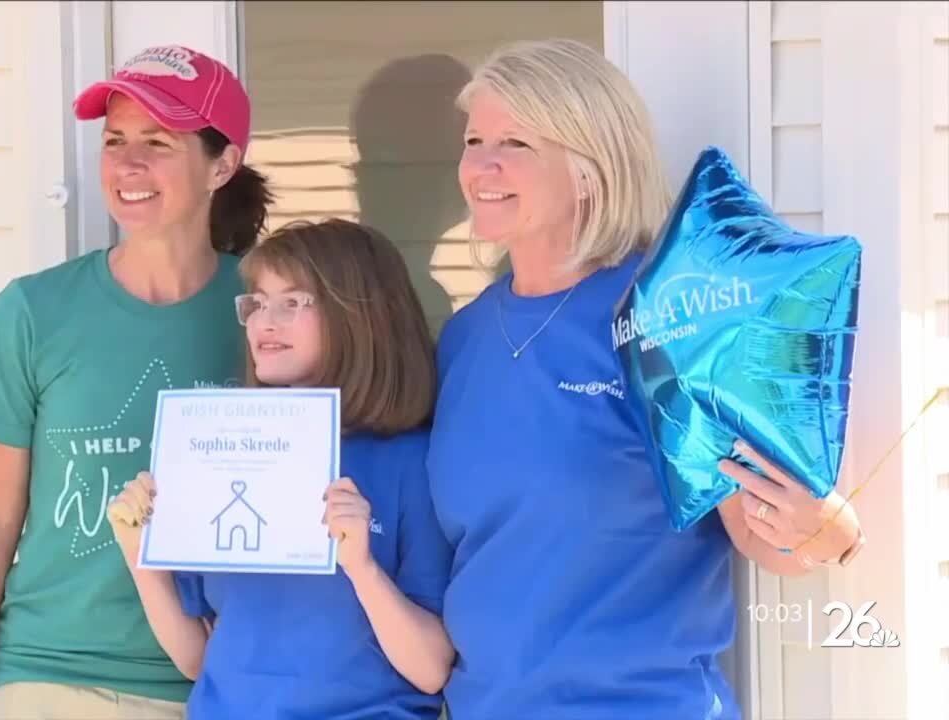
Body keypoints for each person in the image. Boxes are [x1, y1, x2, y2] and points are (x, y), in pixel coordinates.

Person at [426, 38, 866, 719]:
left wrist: (826, 533)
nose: (480, 165)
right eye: (473, 138)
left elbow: (756, 531)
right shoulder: (463, 338)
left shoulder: (662, 318)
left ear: (588, 169)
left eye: (514, 143)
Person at [0, 45, 273, 720]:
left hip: (216, 684)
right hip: (47, 676)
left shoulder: (265, 312)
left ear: (223, 164)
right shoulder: (34, 310)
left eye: (158, 142)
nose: (128, 164)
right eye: (115, 140)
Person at [106, 219, 456, 720]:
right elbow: (197, 657)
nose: (264, 321)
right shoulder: (224, 449)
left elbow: (431, 670)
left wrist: (362, 567)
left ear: (361, 316)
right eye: (257, 302)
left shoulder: (410, 461)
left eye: (292, 303)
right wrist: (140, 555)